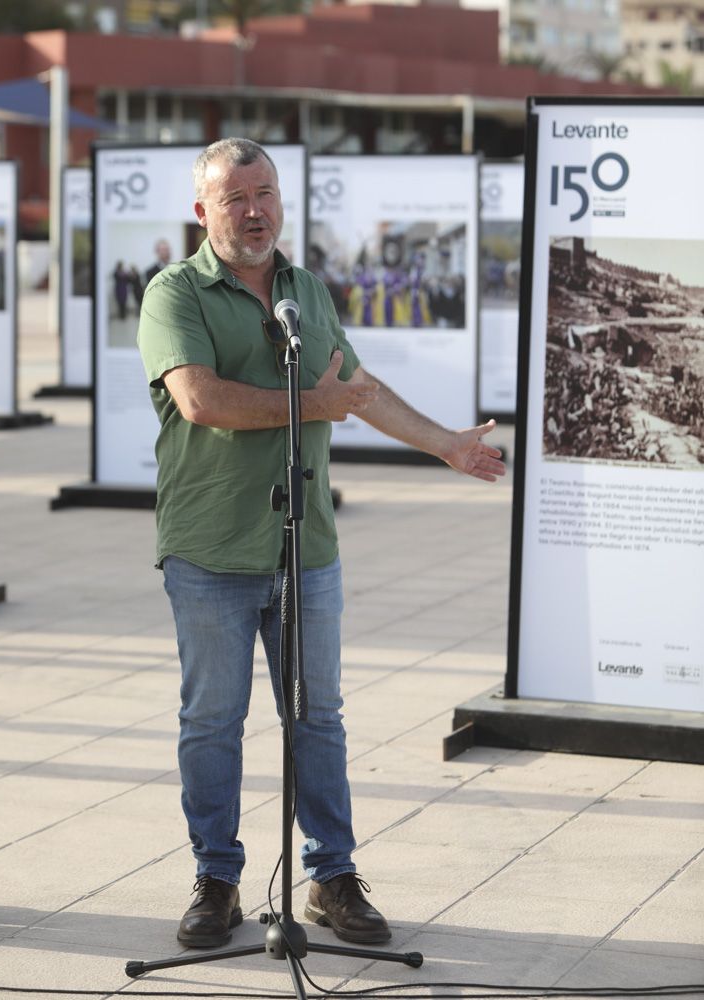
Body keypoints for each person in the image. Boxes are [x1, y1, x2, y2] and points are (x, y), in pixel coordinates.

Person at [137, 137, 506, 952]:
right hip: (210, 551)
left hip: (307, 549)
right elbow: (201, 400)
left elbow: (356, 389)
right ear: (203, 212)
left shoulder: (304, 289)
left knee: (319, 720)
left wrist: (446, 442)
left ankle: (331, 877)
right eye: (234, 198)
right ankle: (217, 878)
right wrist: (314, 403)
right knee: (212, 722)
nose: (254, 209)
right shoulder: (174, 292)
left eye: (264, 191)